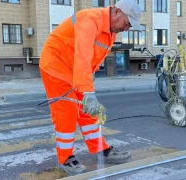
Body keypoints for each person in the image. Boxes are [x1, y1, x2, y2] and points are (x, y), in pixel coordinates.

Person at [39, 0, 141, 175]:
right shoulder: (89, 20)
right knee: (67, 113)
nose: (127, 29)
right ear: (116, 12)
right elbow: (82, 57)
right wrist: (87, 91)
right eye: (127, 23)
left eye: (130, 26)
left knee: (88, 112)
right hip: (56, 67)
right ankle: (65, 158)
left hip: (76, 71)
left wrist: (87, 88)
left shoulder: (110, 32)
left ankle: (100, 150)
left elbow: (91, 61)